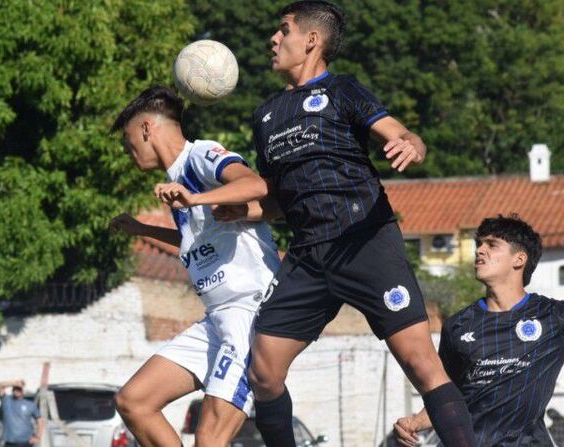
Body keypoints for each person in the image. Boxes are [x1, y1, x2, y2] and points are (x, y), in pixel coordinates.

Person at [213, 2, 476, 446]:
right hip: (309, 255)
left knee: (421, 364)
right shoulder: (265, 115)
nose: (273, 40)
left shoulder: (343, 90)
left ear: (311, 40)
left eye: (284, 31)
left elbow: (404, 135)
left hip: (366, 241)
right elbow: (278, 200)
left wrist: (412, 145)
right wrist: (242, 212)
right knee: (264, 371)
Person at [109, 85, 281, 447]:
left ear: (146, 129)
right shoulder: (176, 183)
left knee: (209, 439)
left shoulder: (200, 155)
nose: (128, 152)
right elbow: (197, 239)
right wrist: (142, 229)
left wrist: (196, 197)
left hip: (248, 314)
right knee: (134, 402)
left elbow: (254, 185)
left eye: (128, 142)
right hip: (216, 319)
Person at [394, 215, 563, 446]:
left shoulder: (553, 316)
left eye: (492, 245)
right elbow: (448, 393)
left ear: (519, 259)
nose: (480, 251)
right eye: (479, 244)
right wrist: (414, 422)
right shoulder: (457, 326)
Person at [0, 379, 44, 447]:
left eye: (19, 389)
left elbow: (40, 421)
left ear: (23, 391)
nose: (17, 391)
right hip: (9, 443)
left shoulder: (30, 405)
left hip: (25, 442)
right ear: (12, 391)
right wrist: (14, 383)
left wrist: (38, 437)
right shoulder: (6, 401)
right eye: (15, 389)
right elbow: (0, 385)